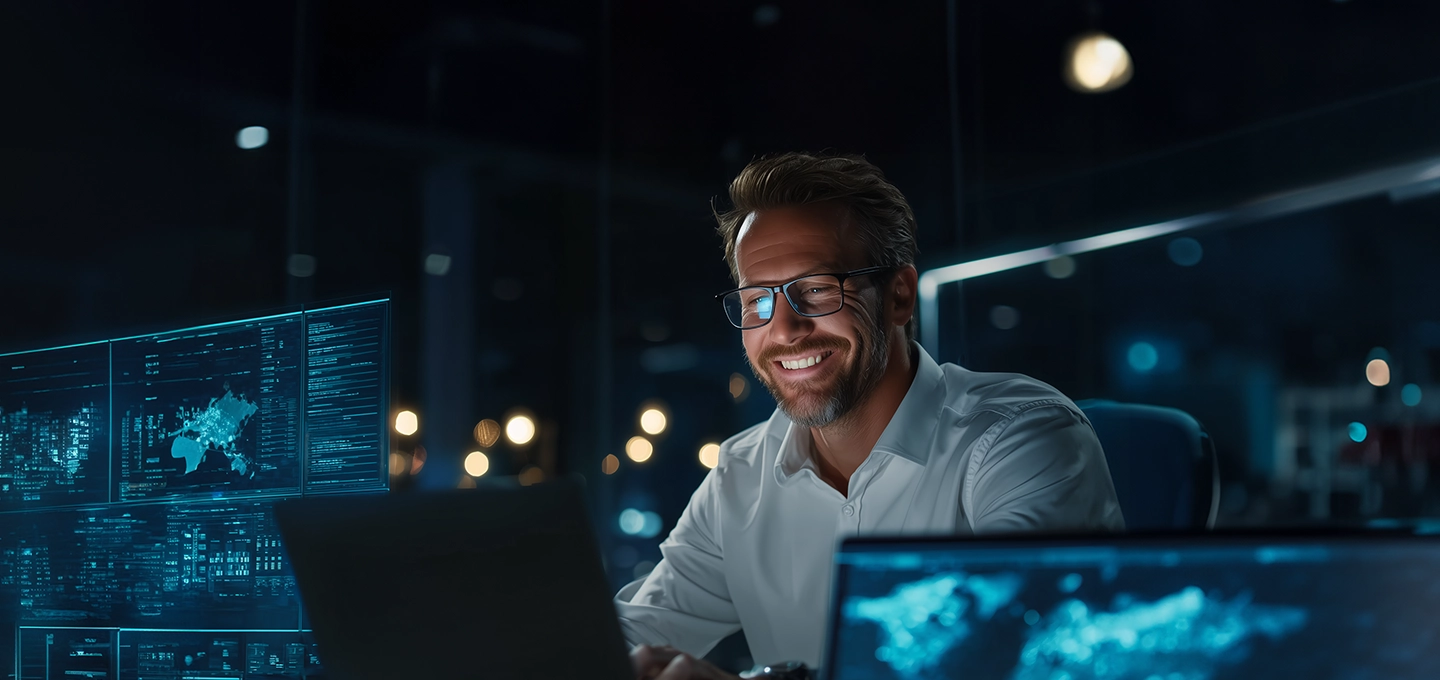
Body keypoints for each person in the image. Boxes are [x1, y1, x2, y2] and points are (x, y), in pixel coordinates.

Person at [622, 152, 1124, 680]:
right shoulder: (740, 474)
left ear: (899, 296)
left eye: (815, 290)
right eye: (756, 301)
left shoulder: (1021, 438)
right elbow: (630, 634)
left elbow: (1003, 660)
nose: (785, 329)